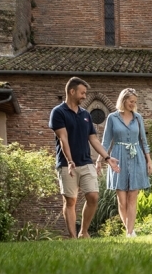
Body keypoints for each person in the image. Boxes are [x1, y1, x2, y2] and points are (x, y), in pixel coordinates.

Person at [49, 77, 119, 238]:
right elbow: (63, 138)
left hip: (86, 162)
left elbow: (93, 139)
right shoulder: (58, 112)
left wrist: (107, 157)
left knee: (93, 196)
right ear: (71, 91)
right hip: (67, 165)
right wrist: (70, 160)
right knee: (70, 201)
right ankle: (73, 237)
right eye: (82, 93)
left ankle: (84, 232)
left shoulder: (85, 114)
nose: (84, 96)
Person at [101, 87, 152, 237]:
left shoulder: (138, 118)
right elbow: (105, 142)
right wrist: (100, 160)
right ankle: (129, 229)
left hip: (136, 158)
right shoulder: (112, 118)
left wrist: (149, 160)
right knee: (122, 201)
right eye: (131, 101)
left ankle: (130, 232)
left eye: (135, 102)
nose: (133, 104)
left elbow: (144, 141)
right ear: (123, 100)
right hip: (118, 157)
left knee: (132, 197)